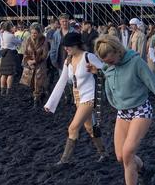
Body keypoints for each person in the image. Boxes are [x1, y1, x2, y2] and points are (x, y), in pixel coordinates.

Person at [94, 36, 155, 185]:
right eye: (106, 62)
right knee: (120, 157)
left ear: (118, 52)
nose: (110, 64)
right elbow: (109, 76)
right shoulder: (109, 66)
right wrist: (99, 71)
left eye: (111, 60)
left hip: (141, 110)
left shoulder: (136, 62)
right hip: (123, 112)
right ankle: (145, 171)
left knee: (128, 153)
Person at [45, 33, 108, 164]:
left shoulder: (88, 56)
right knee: (90, 128)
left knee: (73, 128)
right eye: (64, 46)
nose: (66, 48)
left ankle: (64, 160)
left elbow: (106, 71)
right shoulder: (68, 60)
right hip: (78, 98)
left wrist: (97, 71)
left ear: (76, 44)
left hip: (90, 97)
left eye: (68, 46)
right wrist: (50, 103)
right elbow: (62, 81)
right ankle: (103, 153)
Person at [20, 23, 50, 107]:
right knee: (31, 82)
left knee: (38, 82)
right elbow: (25, 52)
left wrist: (35, 61)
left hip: (40, 65)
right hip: (29, 65)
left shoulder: (44, 41)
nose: (33, 35)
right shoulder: (28, 40)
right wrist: (28, 60)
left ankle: (36, 100)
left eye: (35, 33)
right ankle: (37, 96)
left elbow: (45, 55)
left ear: (39, 33)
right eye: (32, 33)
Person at [0, 22, 22, 96]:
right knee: (10, 74)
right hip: (10, 54)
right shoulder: (11, 36)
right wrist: (18, 37)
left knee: (3, 74)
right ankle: (8, 90)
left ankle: (2, 90)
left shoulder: (1, 34)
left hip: (4, 54)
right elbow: (18, 42)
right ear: (9, 27)